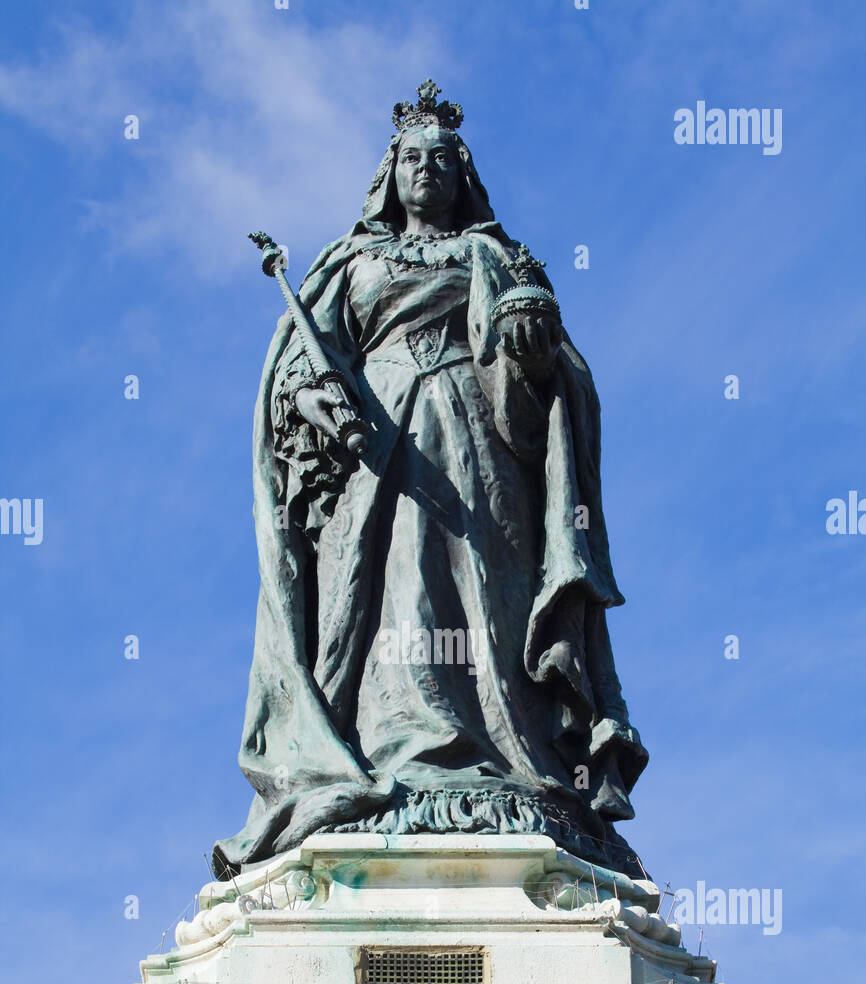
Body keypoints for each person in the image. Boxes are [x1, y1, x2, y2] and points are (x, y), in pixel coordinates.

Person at [214, 81, 647, 879]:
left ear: (461, 177)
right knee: (380, 602)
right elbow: (298, 372)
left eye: (441, 160)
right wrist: (315, 397)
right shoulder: (351, 265)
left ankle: (495, 757)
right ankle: (388, 751)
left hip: (472, 450)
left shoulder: (490, 256)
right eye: (412, 158)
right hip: (373, 455)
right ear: (391, 175)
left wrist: (532, 347)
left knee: (478, 593)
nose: (426, 171)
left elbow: (549, 377)